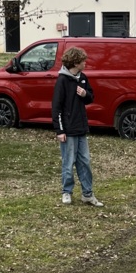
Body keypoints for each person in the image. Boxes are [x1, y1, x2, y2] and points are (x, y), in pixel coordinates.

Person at [52, 46, 103, 206]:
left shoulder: (83, 78)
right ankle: (66, 192)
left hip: (81, 128)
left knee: (85, 162)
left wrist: (85, 94)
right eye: (83, 61)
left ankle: (87, 194)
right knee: (68, 162)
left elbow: (90, 97)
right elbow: (56, 107)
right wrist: (60, 130)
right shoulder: (62, 80)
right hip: (68, 130)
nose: (85, 63)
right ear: (75, 63)